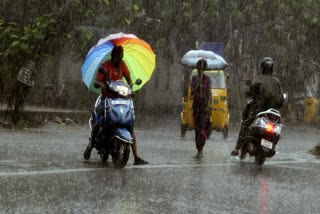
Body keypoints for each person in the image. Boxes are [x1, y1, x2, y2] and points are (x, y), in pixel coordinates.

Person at [83, 45, 148, 165]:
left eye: (122, 57)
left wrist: (131, 88)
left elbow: (128, 79)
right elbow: (97, 81)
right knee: (99, 121)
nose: (120, 60)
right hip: (107, 98)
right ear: (114, 56)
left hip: (121, 99)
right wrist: (101, 84)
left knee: (129, 125)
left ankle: (136, 157)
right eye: (119, 57)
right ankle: (91, 145)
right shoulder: (105, 66)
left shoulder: (122, 65)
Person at [231, 57, 284, 156]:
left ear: (262, 68)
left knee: (245, 124)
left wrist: (249, 94)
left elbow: (249, 92)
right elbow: (281, 99)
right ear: (272, 68)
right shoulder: (277, 82)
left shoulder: (258, 79)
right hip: (273, 114)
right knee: (279, 126)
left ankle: (237, 148)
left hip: (259, 110)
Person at [191, 59, 212, 158]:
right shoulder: (194, 79)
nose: (201, 70)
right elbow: (192, 92)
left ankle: (201, 150)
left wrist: (208, 105)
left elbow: (209, 93)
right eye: (199, 68)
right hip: (196, 108)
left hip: (205, 108)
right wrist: (197, 85)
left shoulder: (207, 79)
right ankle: (198, 149)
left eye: (202, 68)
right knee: (197, 129)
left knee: (202, 129)